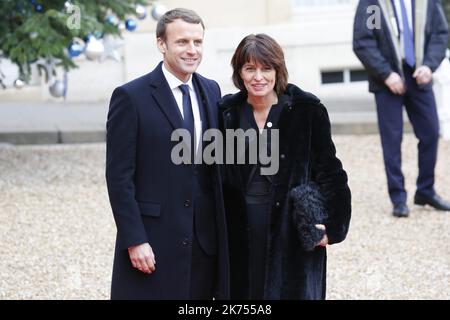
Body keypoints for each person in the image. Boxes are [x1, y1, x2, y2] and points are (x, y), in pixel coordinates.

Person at [105, 8, 229, 299]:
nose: (192, 50)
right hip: (153, 242)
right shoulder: (130, 97)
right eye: (182, 42)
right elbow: (119, 177)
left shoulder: (211, 91)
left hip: (203, 245)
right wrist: (134, 240)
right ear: (162, 44)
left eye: (198, 42)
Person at [218, 34, 351, 300]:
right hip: (240, 229)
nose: (258, 77)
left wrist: (334, 227)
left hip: (290, 229)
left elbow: (331, 173)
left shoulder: (306, 110)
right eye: (250, 68)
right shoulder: (226, 113)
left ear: (278, 70)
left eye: (266, 68)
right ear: (239, 72)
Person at [353, 0, 450, 217]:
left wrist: (429, 65)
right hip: (387, 81)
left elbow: (439, 34)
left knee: (431, 133)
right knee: (392, 140)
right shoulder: (374, 5)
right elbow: (364, 41)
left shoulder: (426, 3)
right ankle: (398, 198)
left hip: (420, 77)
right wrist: (386, 74)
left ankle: (425, 191)